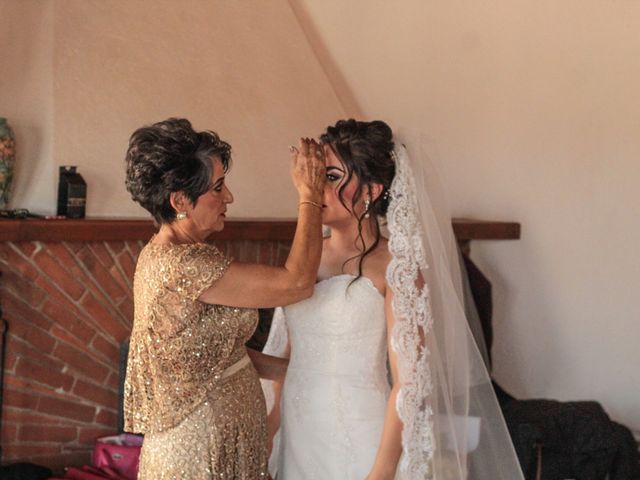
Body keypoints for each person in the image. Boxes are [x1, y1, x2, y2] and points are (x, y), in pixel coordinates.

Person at [262, 119, 524, 479]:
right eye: (316, 174)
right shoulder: (303, 260)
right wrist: (269, 429)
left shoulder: (394, 266)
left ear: (371, 190)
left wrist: (382, 472)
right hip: (299, 433)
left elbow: (409, 381)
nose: (317, 187)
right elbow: (288, 355)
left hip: (357, 432)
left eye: (333, 176)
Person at [123, 118, 325, 479]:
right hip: (200, 451)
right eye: (217, 187)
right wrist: (310, 195)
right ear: (180, 201)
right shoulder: (184, 265)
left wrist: (305, 373)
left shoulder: (168, 255)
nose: (228, 196)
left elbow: (217, 352)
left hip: (221, 438)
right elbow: (297, 283)